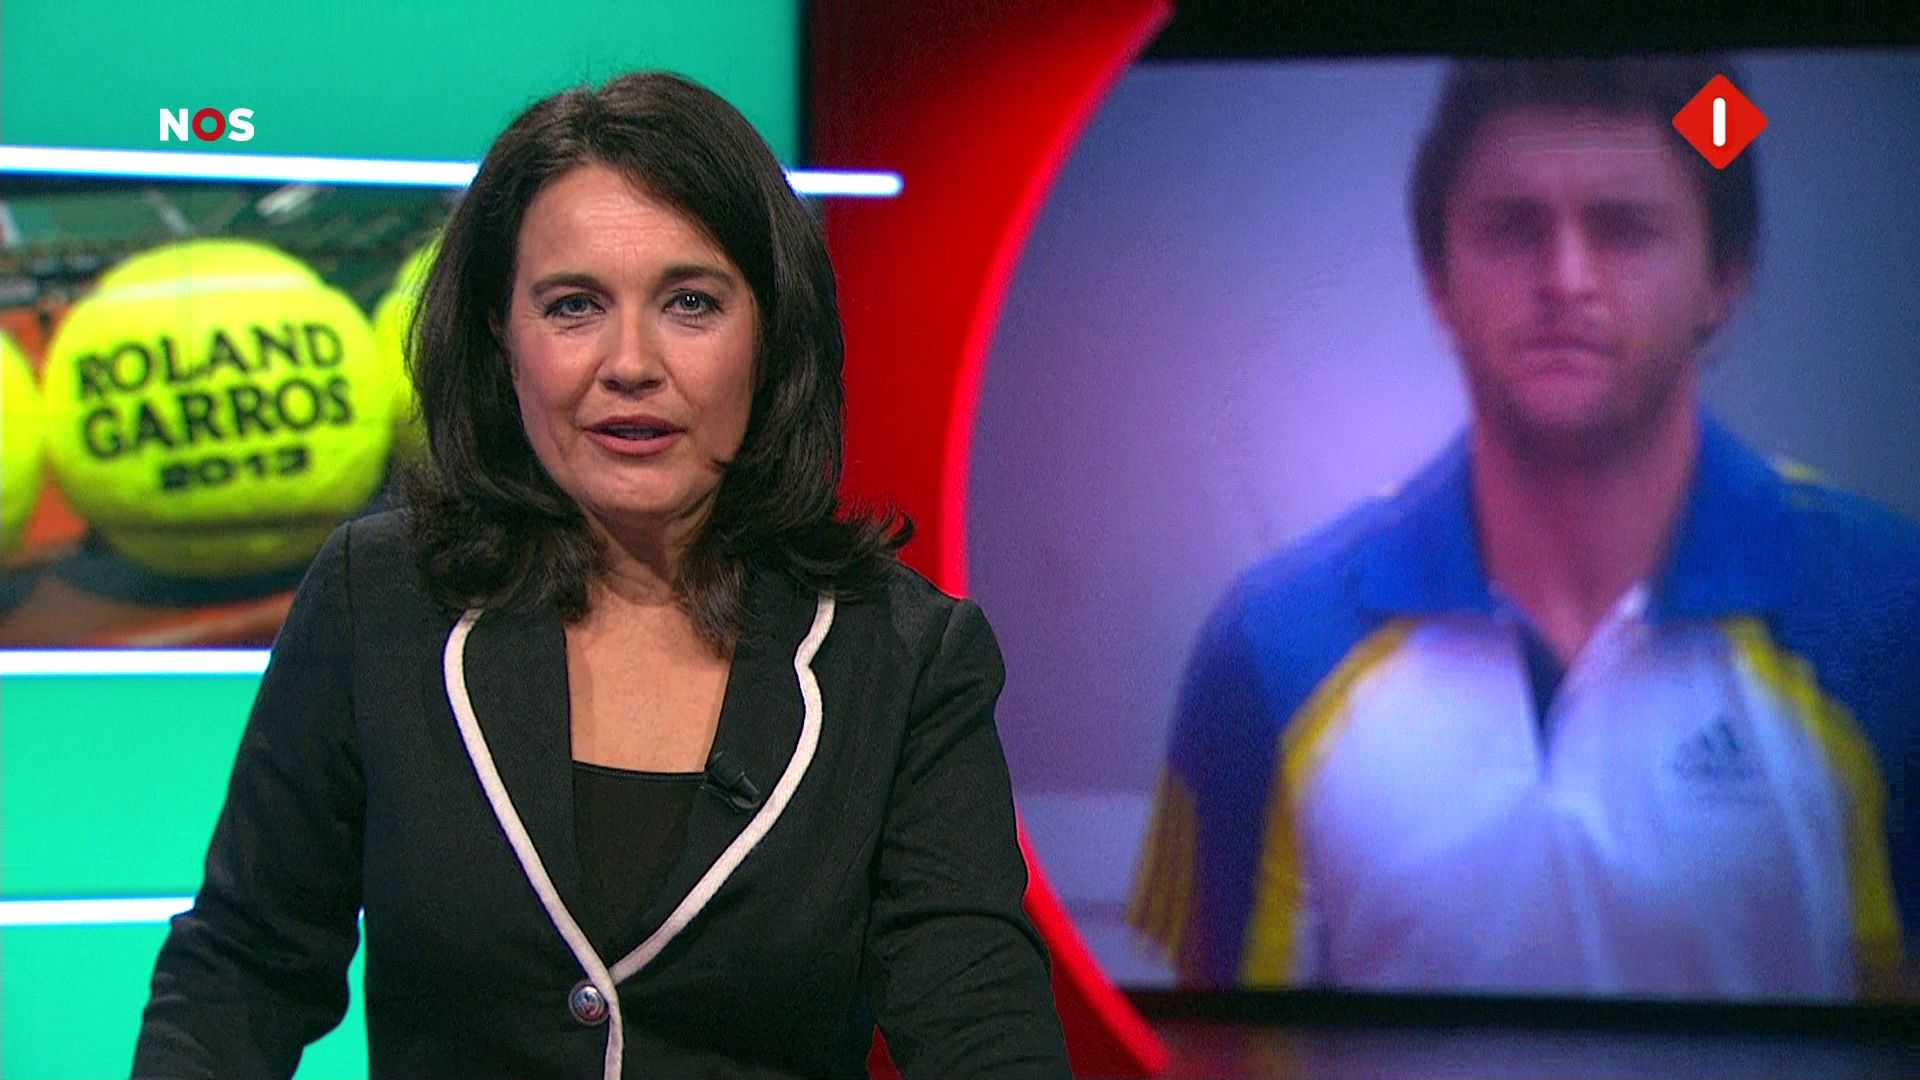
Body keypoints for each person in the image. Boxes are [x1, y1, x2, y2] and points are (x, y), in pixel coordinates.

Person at [134, 72, 1071, 1079]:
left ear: (771, 331)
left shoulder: (901, 656)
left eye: (690, 303)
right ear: (500, 336)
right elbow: (241, 973)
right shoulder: (381, 601)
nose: (630, 362)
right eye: (574, 305)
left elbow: (982, 1029)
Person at [1128, 55, 1918, 1000]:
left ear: (1724, 276)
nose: (1565, 279)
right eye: (1512, 228)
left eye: (1623, 228)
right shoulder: (1268, 649)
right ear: (1439, 280)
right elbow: (1214, 1055)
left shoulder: (1892, 621)